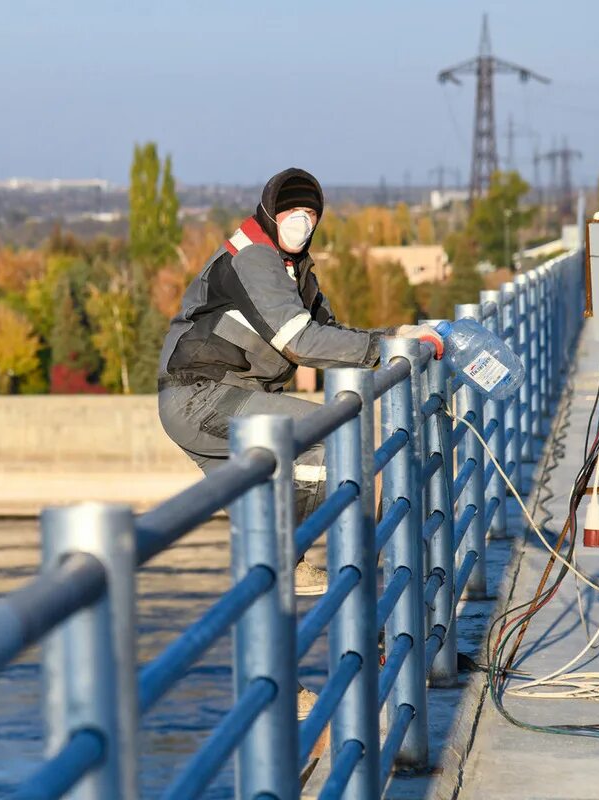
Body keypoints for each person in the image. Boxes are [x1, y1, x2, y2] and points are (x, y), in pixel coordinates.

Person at [156, 168, 442, 715]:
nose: (301, 224)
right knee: (347, 450)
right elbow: (303, 341)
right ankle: (362, 625)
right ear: (270, 213)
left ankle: (282, 694)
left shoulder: (296, 271)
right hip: (205, 398)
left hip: (222, 401)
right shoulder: (255, 259)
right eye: (291, 214)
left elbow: (335, 336)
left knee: (265, 541)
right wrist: (390, 346)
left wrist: (393, 339)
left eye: (310, 216)